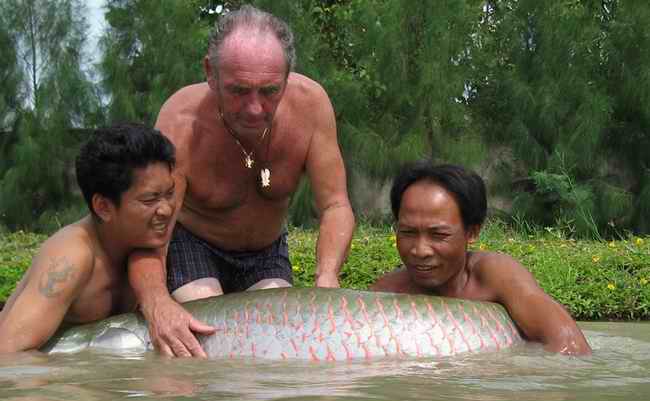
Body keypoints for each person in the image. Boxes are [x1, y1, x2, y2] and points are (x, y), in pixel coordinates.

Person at [127, 5, 355, 357]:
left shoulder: (312, 106)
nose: (254, 108)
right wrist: (156, 303)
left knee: (272, 348)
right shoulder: (181, 121)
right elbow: (149, 230)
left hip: (266, 250)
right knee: (209, 342)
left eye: (269, 91)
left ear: (287, 76)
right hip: (194, 244)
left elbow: (335, 204)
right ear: (210, 73)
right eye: (238, 90)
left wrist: (327, 277)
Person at [370, 162, 592, 355]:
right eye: (408, 233)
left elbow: (571, 348)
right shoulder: (387, 293)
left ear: (472, 232)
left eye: (438, 235)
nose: (420, 250)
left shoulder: (497, 276)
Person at [0, 124, 177, 353]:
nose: (166, 210)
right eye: (150, 200)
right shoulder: (71, 257)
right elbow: (8, 356)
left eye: (169, 194)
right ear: (103, 207)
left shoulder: (142, 240)